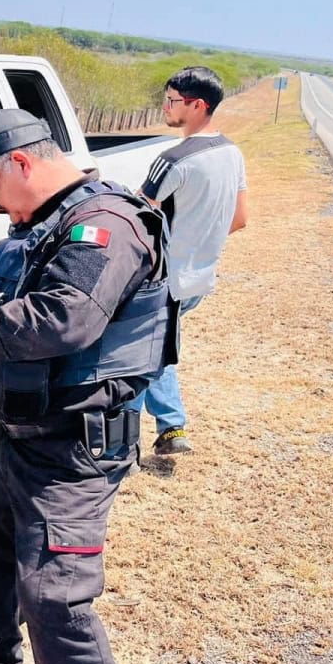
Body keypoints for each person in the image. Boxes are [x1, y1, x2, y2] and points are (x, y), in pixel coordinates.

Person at [0, 108, 173, 664]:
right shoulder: (45, 224)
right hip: (5, 434)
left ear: (22, 162)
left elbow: (62, 318)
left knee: (56, 600)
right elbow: (14, 296)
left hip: (68, 451)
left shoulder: (106, 224)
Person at [133, 65, 249, 454]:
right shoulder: (231, 153)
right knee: (158, 347)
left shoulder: (174, 160)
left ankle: (125, 442)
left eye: (172, 101)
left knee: (133, 354)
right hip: (198, 279)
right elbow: (239, 219)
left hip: (161, 280)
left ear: (197, 105)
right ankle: (171, 427)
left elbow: (136, 220)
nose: (165, 107)